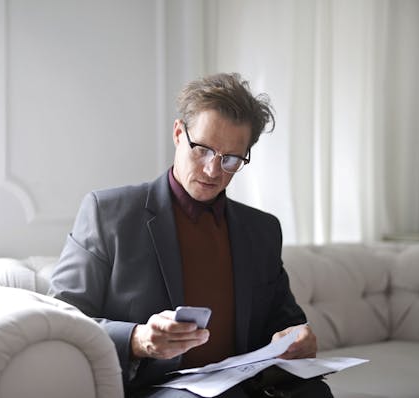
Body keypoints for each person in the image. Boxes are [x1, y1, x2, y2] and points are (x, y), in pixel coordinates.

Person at [50, 73, 332, 398]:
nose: (213, 170)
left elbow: (285, 319)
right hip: (157, 388)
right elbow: (62, 318)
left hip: (245, 386)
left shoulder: (262, 230)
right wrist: (138, 339)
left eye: (230, 159)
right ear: (178, 134)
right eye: (203, 150)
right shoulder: (108, 212)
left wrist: (298, 336)